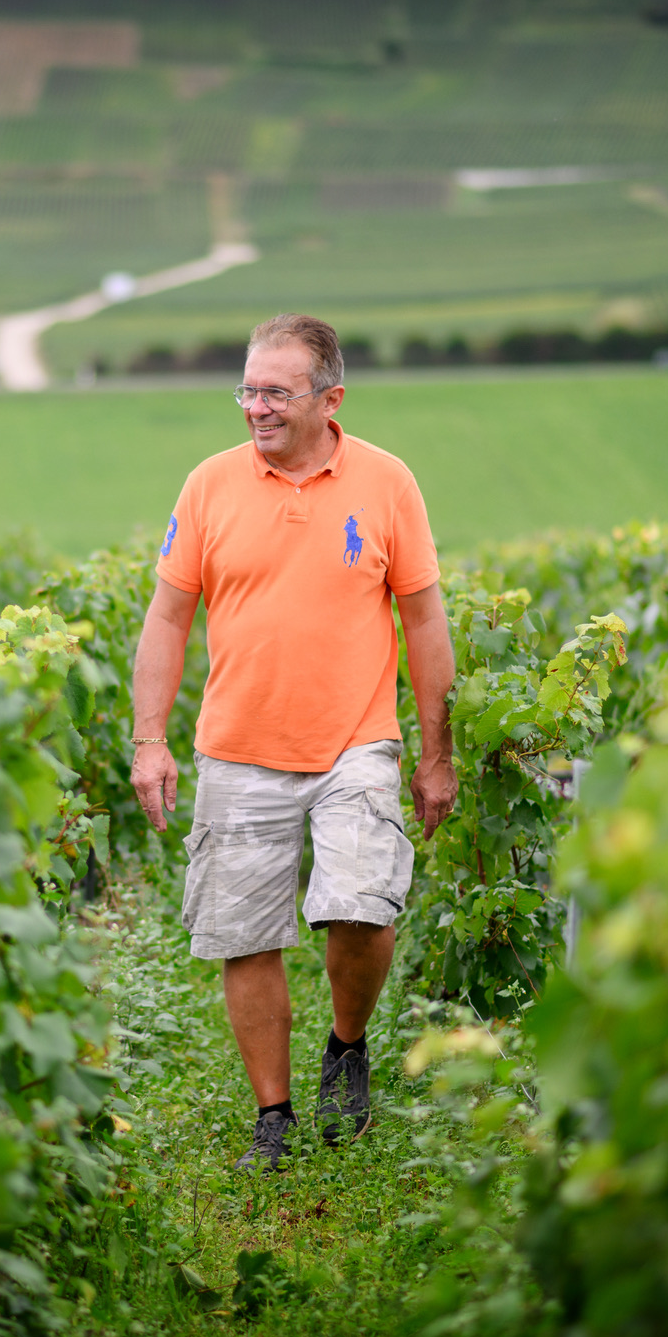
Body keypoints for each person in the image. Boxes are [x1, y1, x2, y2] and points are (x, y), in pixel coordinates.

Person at [129, 313, 457, 1171]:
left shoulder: (387, 483)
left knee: (360, 907)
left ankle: (346, 1046)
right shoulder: (208, 485)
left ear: (331, 397)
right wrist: (148, 741)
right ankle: (272, 1117)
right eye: (248, 389)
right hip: (238, 745)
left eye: (277, 391)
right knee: (247, 933)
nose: (257, 407)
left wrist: (436, 753)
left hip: (356, 739)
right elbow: (169, 615)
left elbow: (423, 620)